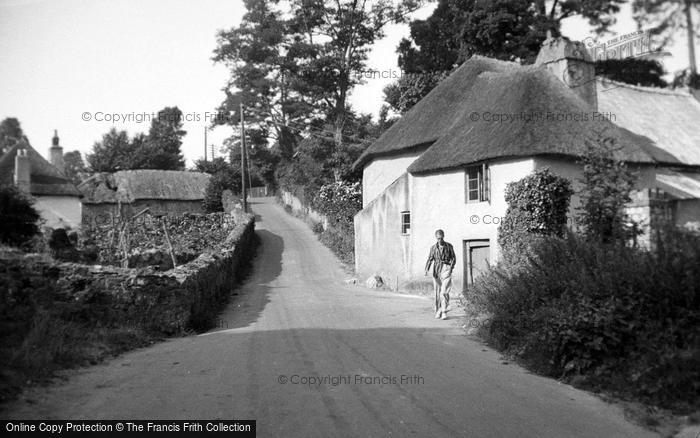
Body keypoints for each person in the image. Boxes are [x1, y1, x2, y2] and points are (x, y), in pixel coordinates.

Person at [424, 229, 456, 320]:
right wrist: (426, 269)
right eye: (438, 239)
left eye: (441, 238)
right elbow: (430, 259)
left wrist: (451, 268)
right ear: (436, 238)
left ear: (443, 237)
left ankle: (444, 311)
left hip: (446, 269)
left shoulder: (449, 246)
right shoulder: (433, 248)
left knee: (444, 291)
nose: (440, 240)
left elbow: (453, 258)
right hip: (436, 270)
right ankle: (438, 310)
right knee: (437, 293)